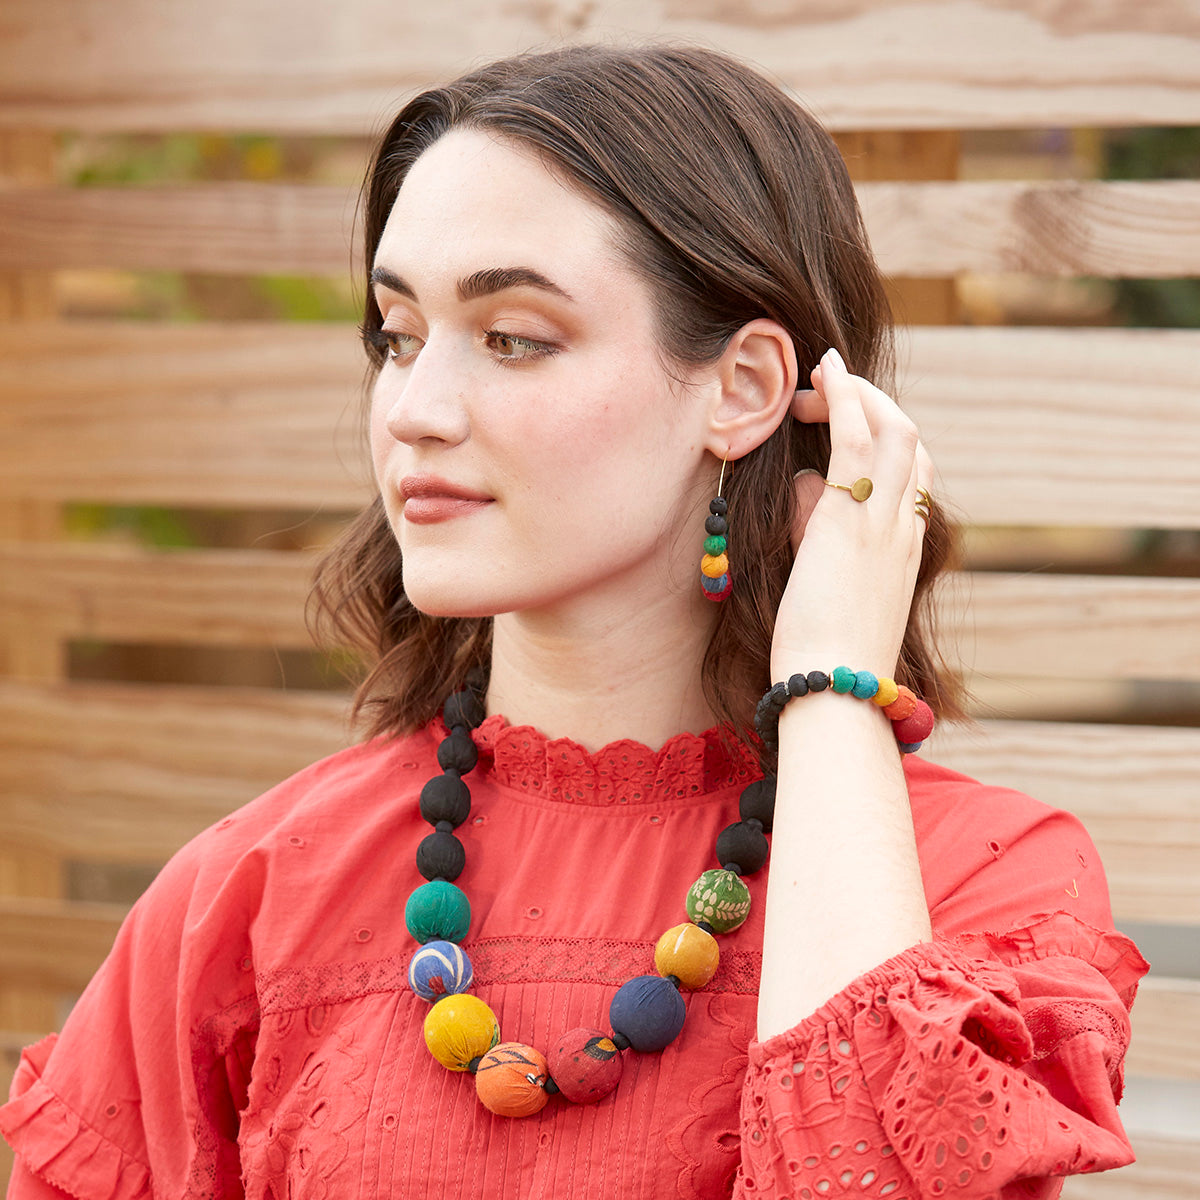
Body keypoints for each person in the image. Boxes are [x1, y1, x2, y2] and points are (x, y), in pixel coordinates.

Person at [1, 43, 1147, 1200]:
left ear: (744, 387)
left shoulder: (982, 886)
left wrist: (831, 676)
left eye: (512, 337)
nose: (414, 410)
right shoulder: (253, 890)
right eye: (397, 336)